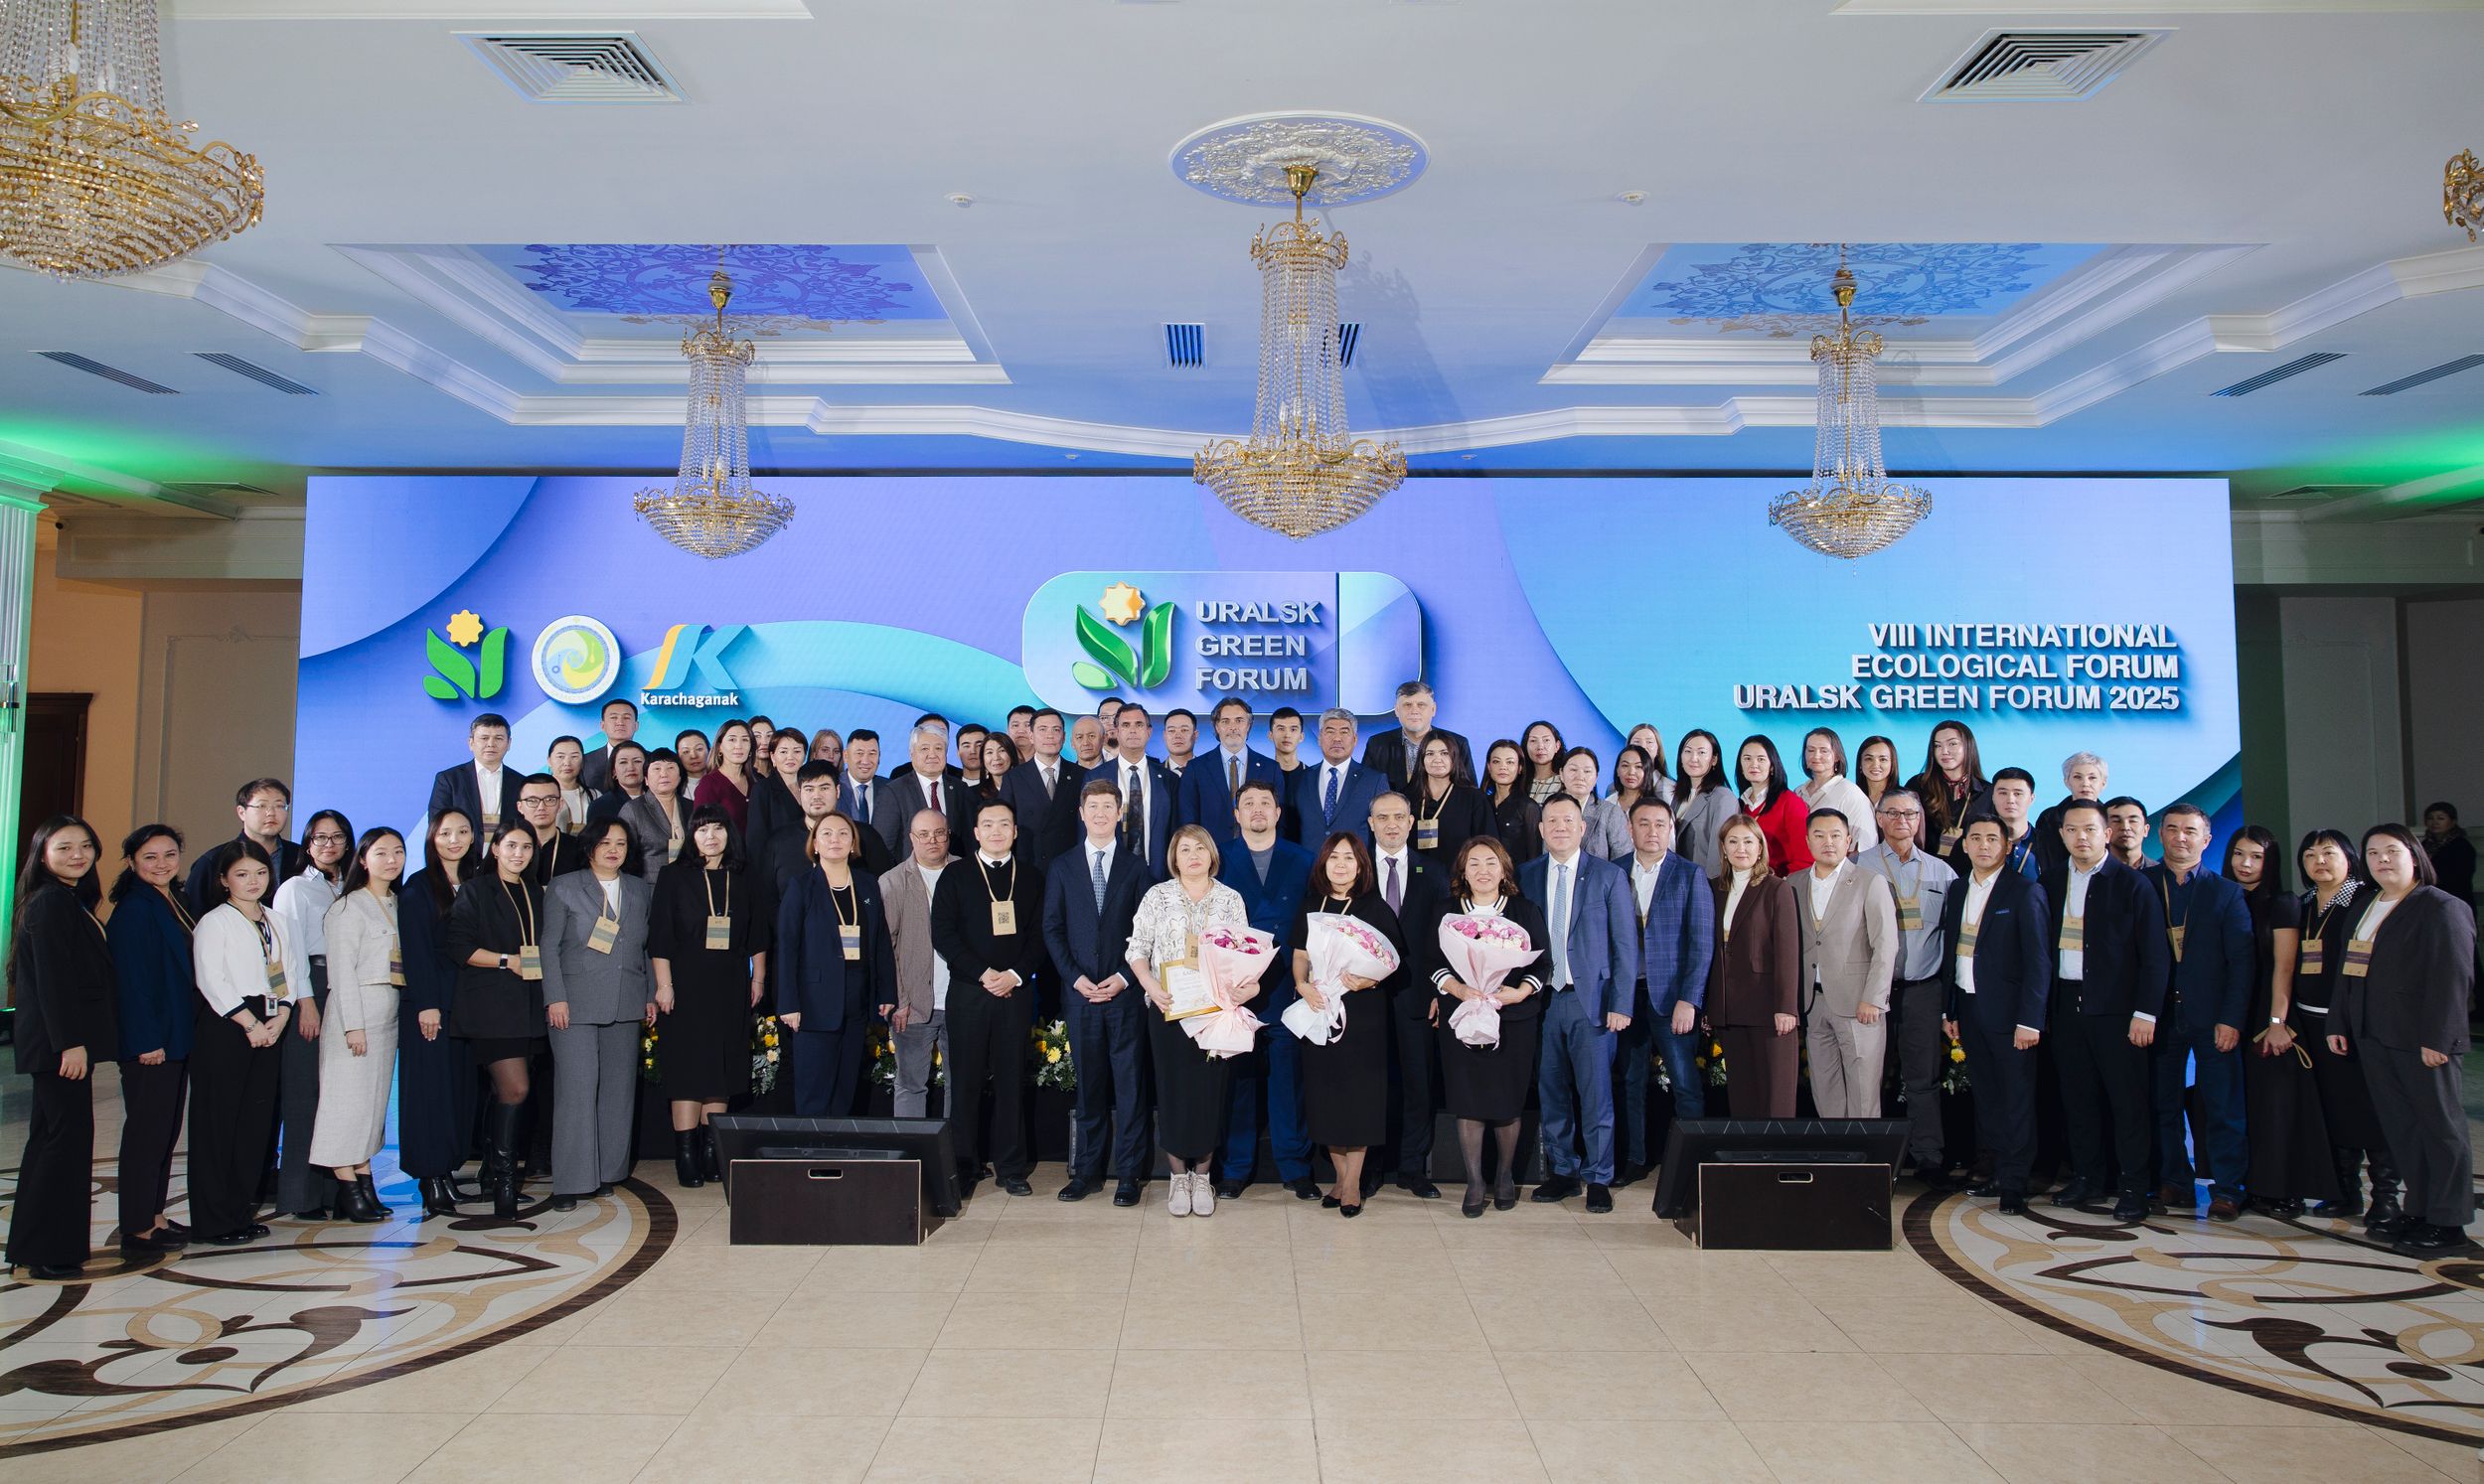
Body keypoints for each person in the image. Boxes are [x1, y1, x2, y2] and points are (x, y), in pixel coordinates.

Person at [2327, 824, 2478, 1256]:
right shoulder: (2365, 906)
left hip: (2422, 1040)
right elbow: (2348, 969)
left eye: (2392, 851)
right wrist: (2339, 1022)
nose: (2382, 860)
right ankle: (2421, 1210)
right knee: (2403, 1130)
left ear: (2414, 855)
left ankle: (2449, 1223)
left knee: (2441, 1130)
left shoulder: (2440, 906)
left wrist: (2440, 1038)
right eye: (2373, 853)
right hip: (2374, 1036)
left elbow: (2453, 978)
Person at [2038, 800, 2169, 1225]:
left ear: (2107, 834)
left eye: (2090, 829)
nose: (2082, 837)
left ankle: (2133, 1188)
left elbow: (2155, 957)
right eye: (2072, 830)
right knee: (2078, 1100)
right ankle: (2087, 1178)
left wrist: (2145, 1013)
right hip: (2066, 1006)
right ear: (2062, 835)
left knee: (2128, 1103)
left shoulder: (2132, 884)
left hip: (2118, 1011)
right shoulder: (2050, 881)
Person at [6, 817, 117, 1278]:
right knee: (64, 1144)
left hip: (56, 1043)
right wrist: (70, 1043)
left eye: (86, 846)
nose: (78, 855)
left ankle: (34, 1246)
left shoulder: (65, 898)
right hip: (59, 1046)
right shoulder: (51, 901)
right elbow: (53, 981)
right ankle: (50, 1253)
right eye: (65, 847)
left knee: (51, 1141)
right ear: (42, 853)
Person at [1127, 826, 1252, 1217]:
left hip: (1215, 1014)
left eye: (1200, 847)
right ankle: (1178, 1176)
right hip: (1168, 1010)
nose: (1193, 855)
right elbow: (1136, 949)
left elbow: (1244, 953)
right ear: (1174, 857)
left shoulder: (1230, 899)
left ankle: (1203, 1176)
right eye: (1185, 849)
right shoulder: (1157, 896)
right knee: (1172, 1092)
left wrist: (1242, 988)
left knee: (1210, 1094)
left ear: (1212, 854)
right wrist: (1151, 985)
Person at [1519, 795, 1636, 1213]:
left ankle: (1599, 1177)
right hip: (1542, 1002)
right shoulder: (1526, 875)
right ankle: (1563, 1172)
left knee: (1596, 1094)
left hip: (1593, 1002)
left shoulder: (1608, 875)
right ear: (1541, 829)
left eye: (1568, 820)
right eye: (1552, 821)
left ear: (1583, 827)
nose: (1560, 827)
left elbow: (1625, 945)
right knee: (1551, 1092)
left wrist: (1621, 1003)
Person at [1423, 835, 1550, 1217]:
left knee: (1506, 1101)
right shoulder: (1446, 912)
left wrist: (1520, 992)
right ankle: (1475, 1181)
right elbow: (1432, 960)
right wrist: (1458, 988)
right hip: (1462, 1017)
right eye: (1474, 863)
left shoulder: (1523, 910)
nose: (1483, 871)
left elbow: (1542, 963)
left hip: (1512, 1019)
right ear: (1463, 871)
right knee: (1469, 1100)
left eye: (1491, 863)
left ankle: (1506, 1175)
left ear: (1504, 869)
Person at [1041, 779, 1154, 1206]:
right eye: (1094, 807)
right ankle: (1085, 1172)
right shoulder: (1063, 866)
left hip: (1125, 995)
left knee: (1129, 1087)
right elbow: (1052, 929)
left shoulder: (1137, 868)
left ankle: (1129, 1174)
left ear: (1119, 814)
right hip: (1081, 995)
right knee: (1089, 1088)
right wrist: (1075, 978)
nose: (1101, 814)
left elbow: (1147, 933)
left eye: (1109, 806)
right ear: (1082, 813)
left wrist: (1125, 976)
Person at [191, 838, 307, 1243]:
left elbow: (289, 972)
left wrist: (282, 1016)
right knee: (219, 1124)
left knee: (254, 1125)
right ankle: (213, 1220)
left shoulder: (277, 920)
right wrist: (250, 1023)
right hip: (227, 1025)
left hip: (271, 1020)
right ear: (224, 880)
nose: (253, 881)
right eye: (241, 874)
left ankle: (240, 1212)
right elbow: (211, 979)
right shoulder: (215, 921)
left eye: (260, 873)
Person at [933, 801, 1048, 1196]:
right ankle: (964, 1165)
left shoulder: (1031, 877)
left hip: (1015, 992)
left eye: (1004, 824)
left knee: (1012, 1080)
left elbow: (1041, 935)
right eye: (987, 824)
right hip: (969, 992)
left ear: (1015, 832)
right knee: (964, 1081)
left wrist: (1014, 974)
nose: (996, 831)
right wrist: (983, 973)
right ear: (976, 833)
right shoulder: (955, 875)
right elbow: (943, 933)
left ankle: (1011, 1167)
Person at [539, 818, 655, 1211]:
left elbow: (645, 947)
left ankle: (606, 1173)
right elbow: (549, 946)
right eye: (605, 842)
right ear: (589, 846)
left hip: (627, 1000)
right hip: (575, 1003)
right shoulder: (565, 886)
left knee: (618, 1092)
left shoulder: (639, 889)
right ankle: (570, 1181)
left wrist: (649, 995)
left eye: (621, 843)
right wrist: (555, 998)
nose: (613, 850)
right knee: (577, 1090)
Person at [1939, 815, 2051, 1215]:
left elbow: (2038, 961)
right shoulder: (1957, 889)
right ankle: (1999, 1170)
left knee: (2015, 1097)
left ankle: (2016, 1182)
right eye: (1976, 838)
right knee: (1987, 1097)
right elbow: (1952, 951)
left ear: (2007, 846)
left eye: (1992, 838)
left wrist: (2030, 1019)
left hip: (2011, 1015)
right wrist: (1950, 1009)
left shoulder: (2025, 891)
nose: (1983, 845)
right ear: (1965, 845)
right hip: (1968, 1007)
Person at [2145, 804, 2252, 1220]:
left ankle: (2228, 1189)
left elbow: (2241, 962)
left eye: (2190, 830)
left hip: (2212, 1016)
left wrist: (2232, 1019)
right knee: (2162, 1104)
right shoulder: (2143, 885)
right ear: (2160, 835)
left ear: (2206, 840)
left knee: (2223, 1105)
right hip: (2158, 1015)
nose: (2180, 837)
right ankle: (2175, 1181)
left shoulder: (2225, 892)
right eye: (2172, 829)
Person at [651, 806, 767, 1186]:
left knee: (721, 1067)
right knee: (689, 1069)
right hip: (684, 986)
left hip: (731, 984)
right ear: (692, 836)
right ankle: (686, 1152)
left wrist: (758, 979)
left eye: (718, 829)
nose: (711, 836)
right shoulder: (673, 876)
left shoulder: (744, 876)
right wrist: (664, 985)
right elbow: (660, 937)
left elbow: (758, 934)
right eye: (702, 830)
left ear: (729, 834)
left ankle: (710, 1150)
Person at [1291, 831, 1403, 1217]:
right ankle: (1339, 1178)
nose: (1341, 864)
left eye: (1349, 858)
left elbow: (1393, 961)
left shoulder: (1374, 907)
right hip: (1319, 1009)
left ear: (1361, 866)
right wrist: (1301, 984)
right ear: (1323, 863)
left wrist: (1369, 980)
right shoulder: (1312, 904)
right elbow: (1300, 953)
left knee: (1360, 1100)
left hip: (1363, 1015)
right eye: (1334, 857)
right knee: (1326, 1098)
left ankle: (1353, 1183)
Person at [1216, 780, 1317, 1200]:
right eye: (1248, 803)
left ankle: (1296, 1168)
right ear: (1236, 815)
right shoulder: (1219, 857)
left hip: (1288, 986)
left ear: (1278, 813)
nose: (1257, 809)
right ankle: (1235, 1169)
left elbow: (1314, 924)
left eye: (1265, 803)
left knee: (1288, 1083)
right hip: (1236, 990)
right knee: (1239, 1083)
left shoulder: (1305, 859)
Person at [2292, 828, 2397, 1227]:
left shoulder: (2365, 901)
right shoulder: (2304, 903)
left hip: (2353, 1023)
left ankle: (2385, 1197)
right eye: (2310, 855)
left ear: (2349, 858)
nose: (2319, 861)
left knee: (2370, 1110)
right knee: (2332, 1109)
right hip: (2309, 1020)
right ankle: (2344, 1190)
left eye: (2328, 853)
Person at [447, 824, 549, 1221]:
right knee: (515, 1089)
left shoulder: (536, 892)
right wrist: (508, 961)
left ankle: (492, 1174)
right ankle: (505, 1185)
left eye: (526, 847)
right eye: (511, 846)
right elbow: (460, 947)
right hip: (490, 1006)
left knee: (503, 1092)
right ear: (494, 849)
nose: (519, 853)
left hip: (529, 1005)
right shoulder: (476, 890)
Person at [1856, 790, 1959, 1183]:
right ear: (1879, 818)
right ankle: (1876, 1156)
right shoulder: (1858, 865)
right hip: (1871, 991)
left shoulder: (1942, 872)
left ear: (1919, 820)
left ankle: (1928, 1157)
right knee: (1871, 1078)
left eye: (1910, 814)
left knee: (1922, 1078)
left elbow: (1952, 937)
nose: (1902, 820)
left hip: (1922, 990)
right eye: (1893, 813)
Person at [2229, 825, 2332, 1215]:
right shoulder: (2224, 896)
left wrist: (2277, 1021)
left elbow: (2284, 967)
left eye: (2256, 857)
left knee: (2278, 1106)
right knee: (2247, 1105)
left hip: (2270, 1013)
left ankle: (2283, 1189)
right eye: (2239, 854)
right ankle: (2252, 1184)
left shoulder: (2283, 903)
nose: (2245, 864)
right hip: (2233, 1011)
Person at [108, 824, 196, 1257]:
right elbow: (132, 983)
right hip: (152, 1043)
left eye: (169, 855)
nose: (162, 864)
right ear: (131, 862)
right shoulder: (134, 909)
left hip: (175, 1036)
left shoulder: (171, 899)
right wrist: (146, 1040)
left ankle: (154, 1215)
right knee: (146, 1136)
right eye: (150, 857)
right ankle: (137, 1228)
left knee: (164, 1133)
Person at [311, 827, 406, 1223]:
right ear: (363, 859)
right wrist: (353, 1026)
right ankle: (348, 1188)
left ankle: (365, 1180)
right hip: (357, 1014)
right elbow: (341, 974)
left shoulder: (397, 902)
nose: (391, 859)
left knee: (372, 1104)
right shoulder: (348, 907)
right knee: (345, 1102)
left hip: (388, 1013)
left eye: (398, 851)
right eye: (381, 852)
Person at [1624, 796, 1716, 1188]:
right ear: (1630, 829)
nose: (1652, 831)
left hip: (1672, 997)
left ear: (1671, 830)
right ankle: (1635, 1159)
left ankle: (1693, 1164)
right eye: (1644, 823)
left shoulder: (1689, 874)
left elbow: (1701, 942)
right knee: (1630, 1083)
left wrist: (1689, 999)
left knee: (1685, 1083)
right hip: (1626, 997)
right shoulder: (1613, 872)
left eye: (1660, 824)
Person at [777, 813, 895, 1119]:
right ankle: (811, 1147)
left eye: (843, 833)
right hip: (813, 1003)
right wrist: (788, 1002)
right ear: (815, 844)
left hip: (856, 999)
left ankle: (839, 1146)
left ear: (853, 843)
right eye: (827, 834)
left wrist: (886, 992)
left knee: (845, 1089)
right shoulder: (801, 886)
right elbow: (787, 947)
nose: (835, 839)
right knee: (814, 1091)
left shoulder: (867, 885)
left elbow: (880, 941)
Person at [264, 809, 351, 1222]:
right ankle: (301, 1195)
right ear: (308, 843)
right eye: (320, 838)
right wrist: (305, 1003)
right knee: (304, 1095)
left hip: (344, 986)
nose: (329, 845)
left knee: (336, 1095)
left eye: (337, 837)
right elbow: (289, 952)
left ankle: (334, 1189)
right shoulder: (295, 888)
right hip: (310, 986)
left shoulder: (350, 886)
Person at [398, 810, 477, 1218]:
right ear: (432, 838)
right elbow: (415, 950)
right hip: (431, 1005)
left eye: (462, 831)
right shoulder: (418, 886)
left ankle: (447, 1171)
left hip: (468, 1005)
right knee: (429, 1092)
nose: (454, 839)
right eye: (446, 833)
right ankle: (429, 1177)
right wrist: (427, 1003)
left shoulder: (476, 881)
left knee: (457, 1092)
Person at [1366, 789, 1445, 1197]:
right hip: (1365, 996)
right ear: (1371, 824)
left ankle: (1413, 1167)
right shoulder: (1356, 870)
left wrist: (1439, 990)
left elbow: (1445, 938)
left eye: (1399, 816)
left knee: (1418, 1083)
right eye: (1382, 817)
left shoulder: (1434, 872)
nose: (1391, 824)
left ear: (1412, 822)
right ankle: (1372, 1166)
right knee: (1372, 1083)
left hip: (1418, 994)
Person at [1797, 809, 1899, 1118]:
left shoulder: (1871, 882)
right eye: (1819, 835)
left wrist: (1874, 998)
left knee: (1863, 1094)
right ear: (1808, 841)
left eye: (1835, 835)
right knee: (1824, 1089)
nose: (1828, 842)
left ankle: (1865, 1152)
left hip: (1859, 1003)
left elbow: (1886, 945)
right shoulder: (1793, 883)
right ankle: (1834, 1149)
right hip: (1813, 1003)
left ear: (1849, 840)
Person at [1707, 816, 1801, 1117]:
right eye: (1733, 841)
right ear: (1723, 848)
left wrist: (1786, 1007)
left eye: (1748, 841)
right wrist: (1711, 1006)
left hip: (1768, 1009)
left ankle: (1777, 1151)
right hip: (1729, 1010)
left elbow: (1787, 953)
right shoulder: (1714, 888)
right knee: (1742, 1099)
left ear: (1760, 847)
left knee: (1776, 1099)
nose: (1741, 848)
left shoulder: (1776, 889)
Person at [879, 810, 956, 1120]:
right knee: (910, 1085)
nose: (932, 840)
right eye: (923, 835)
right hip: (911, 1004)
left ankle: (956, 1149)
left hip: (961, 1000)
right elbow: (885, 948)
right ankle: (911, 1150)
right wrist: (899, 999)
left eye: (938, 833)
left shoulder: (967, 872)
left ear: (948, 834)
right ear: (911, 839)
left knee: (961, 1085)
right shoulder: (893, 881)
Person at [1176, 696, 1283, 847]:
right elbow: (1188, 822)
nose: (1233, 727)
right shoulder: (1196, 768)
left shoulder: (1270, 768)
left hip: (1260, 853)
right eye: (1225, 721)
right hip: (1211, 853)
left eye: (1239, 720)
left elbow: (1280, 821)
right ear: (1217, 727)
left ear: (1248, 725)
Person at [186, 777, 301, 907]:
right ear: (242, 812)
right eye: (262, 806)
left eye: (279, 806)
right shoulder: (213, 861)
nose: (271, 813)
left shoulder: (301, 856)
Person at [1001, 707, 1087, 866]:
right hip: (1029, 865)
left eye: (1056, 730)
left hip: (1072, 864)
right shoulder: (1013, 778)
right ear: (1031, 736)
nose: (1050, 735)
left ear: (1064, 737)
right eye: (1042, 729)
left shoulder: (1082, 775)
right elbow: (1005, 824)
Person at [1291, 708, 1386, 847]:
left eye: (1344, 732)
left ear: (1355, 739)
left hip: (1355, 860)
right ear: (1319, 738)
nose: (1337, 738)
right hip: (1308, 860)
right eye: (1330, 732)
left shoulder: (1374, 781)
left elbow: (1382, 830)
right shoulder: (1300, 779)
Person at [1362, 679, 1475, 792]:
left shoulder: (1458, 743)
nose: (1414, 711)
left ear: (1433, 709)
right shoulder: (1377, 744)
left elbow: (1471, 793)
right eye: (1407, 705)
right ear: (1397, 710)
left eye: (1421, 705)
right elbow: (1365, 790)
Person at [1104, 703, 1177, 873]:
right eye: (1125, 725)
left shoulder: (1169, 779)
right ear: (1117, 731)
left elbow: (1176, 831)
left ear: (1149, 732)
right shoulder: (1096, 776)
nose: (1132, 730)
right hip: (1111, 872)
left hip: (1157, 873)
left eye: (1139, 724)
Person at [1907, 719, 1990, 861]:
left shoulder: (1988, 792)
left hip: (1970, 871)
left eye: (1952, 744)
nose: (1944, 751)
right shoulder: (1918, 785)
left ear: (1968, 746)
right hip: (1924, 867)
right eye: (1937, 746)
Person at [428, 715, 523, 841]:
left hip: (508, 851)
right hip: (463, 851)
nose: (491, 744)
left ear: (509, 743)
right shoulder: (449, 779)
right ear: (471, 743)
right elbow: (437, 823)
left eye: (498, 738)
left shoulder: (521, 782)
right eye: (484, 738)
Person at [1408, 733, 1493, 871]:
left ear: (1454, 758)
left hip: (1459, 876)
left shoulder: (1473, 798)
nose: (1437, 759)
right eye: (1430, 754)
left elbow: (1487, 843)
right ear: (1421, 759)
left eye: (1444, 753)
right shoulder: (1407, 797)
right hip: (1416, 875)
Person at [889, 721, 977, 852]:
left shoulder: (960, 789)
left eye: (938, 748)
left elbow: (971, 840)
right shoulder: (894, 791)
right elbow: (884, 847)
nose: (932, 755)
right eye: (924, 749)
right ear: (911, 754)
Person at [1797, 728, 1879, 853]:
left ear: (1836, 756)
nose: (1816, 756)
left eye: (1824, 750)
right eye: (1811, 750)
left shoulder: (1850, 793)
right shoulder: (1798, 792)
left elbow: (1866, 846)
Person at [1671, 731, 1736, 882]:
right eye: (1688, 751)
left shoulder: (1723, 798)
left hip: (1703, 884)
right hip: (1678, 881)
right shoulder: (1678, 795)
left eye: (1701, 752)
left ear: (1714, 759)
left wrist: (1709, 889)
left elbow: (1718, 856)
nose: (1693, 758)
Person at [2033, 752, 2108, 876]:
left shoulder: (2111, 817)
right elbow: (2046, 860)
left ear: (2103, 783)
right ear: (2067, 782)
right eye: (2078, 777)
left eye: (2092, 778)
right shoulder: (2049, 818)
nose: (2085, 783)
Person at [622, 747, 692, 882]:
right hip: (650, 885)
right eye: (657, 768)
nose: (664, 774)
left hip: (688, 883)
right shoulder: (633, 809)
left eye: (670, 768)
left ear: (679, 777)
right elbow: (627, 856)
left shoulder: (691, 807)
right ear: (646, 779)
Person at [745, 725, 811, 865]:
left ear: (805, 756)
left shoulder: (812, 787)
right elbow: (755, 841)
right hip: (778, 865)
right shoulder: (762, 789)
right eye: (783, 751)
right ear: (773, 757)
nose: (790, 757)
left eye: (797, 751)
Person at [1553, 746, 1630, 862]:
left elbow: (1623, 860)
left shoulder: (1611, 813)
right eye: (1573, 770)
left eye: (1587, 771)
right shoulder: (1548, 810)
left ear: (1596, 778)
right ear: (1561, 774)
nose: (1580, 777)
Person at [692, 718, 758, 834]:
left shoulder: (758, 781)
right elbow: (702, 829)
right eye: (732, 739)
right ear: (720, 747)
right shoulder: (709, 784)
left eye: (745, 740)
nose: (739, 746)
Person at [1481, 739, 1543, 864]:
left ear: (1520, 768)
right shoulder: (1481, 804)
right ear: (1489, 767)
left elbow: (1535, 856)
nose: (1503, 767)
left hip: (1517, 875)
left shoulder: (1528, 807)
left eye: (1510, 762)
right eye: (1496, 761)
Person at [517, 774, 586, 883]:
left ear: (560, 804)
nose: (541, 807)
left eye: (549, 799)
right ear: (520, 807)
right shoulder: (510, 849)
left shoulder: (579, 848)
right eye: (532, 800)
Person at [584, 741, 648, 857]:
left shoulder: (659, 800)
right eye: (623, 762)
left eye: (637, 761)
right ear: (614, 771)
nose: (631, 767)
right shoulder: (600, 806)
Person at [1983, 769, 2042, 881]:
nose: (2010, 800)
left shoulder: (2048, 844)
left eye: (2017, 794)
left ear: (2031, 798)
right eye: (2003, 793)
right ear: (1993, 797)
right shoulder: (1975, 841)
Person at [2420, 801, 2477, 910]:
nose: (2435, 822)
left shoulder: (2461, 846)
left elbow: (2458, 878)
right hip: (2430, 899)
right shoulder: (2425, 845)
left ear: (2453, 822)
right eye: (2430, 818)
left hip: (2455, 901)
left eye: (2441, 818)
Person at [1604, 746, 1658, 858]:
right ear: (1617, 770)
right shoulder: (1606, 805)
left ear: (1647, 771)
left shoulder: (1658, 809)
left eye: (1638, 767)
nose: (1631, 772)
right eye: (1625, 766)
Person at [580, 697, 641, 792]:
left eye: (626, 718)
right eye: (613, 717)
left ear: (636, 726)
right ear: (603, 726)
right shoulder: (584, 761)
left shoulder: (650, 760)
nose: (620, 723)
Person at [547, 735, 598, 836]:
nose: (567, 763)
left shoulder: (594, 795)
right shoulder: (539, 794)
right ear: (549, 761)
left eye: (574, 756)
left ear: (582, 761)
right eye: (560, 757)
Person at [1624, 724, 1672, 805]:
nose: (1643, 747)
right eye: (1637, 742)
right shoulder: (1614, 788)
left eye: (1649, 742)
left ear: (1658, 749)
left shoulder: (1669, 788)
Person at [1855, 735, 1901, 816]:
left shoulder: (1905, 798)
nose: (1875, 765)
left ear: (1892, 764)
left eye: (1883, 759)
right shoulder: (1852, 796)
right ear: (1860, 764)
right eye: (1869, 759)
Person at [2104, 796, 2151, 870]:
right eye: (2116, 821)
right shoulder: (2089, 871)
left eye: (2133, 821)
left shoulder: (2162, 874)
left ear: (2146, 830)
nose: (2125, 827)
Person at [1161, 708, 1197, 777]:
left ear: (1195, 735)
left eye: (1184, 730)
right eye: (1172, 731)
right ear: (1164, 736)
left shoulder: (1209, 770)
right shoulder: (1153, 773)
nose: (1177, 736)